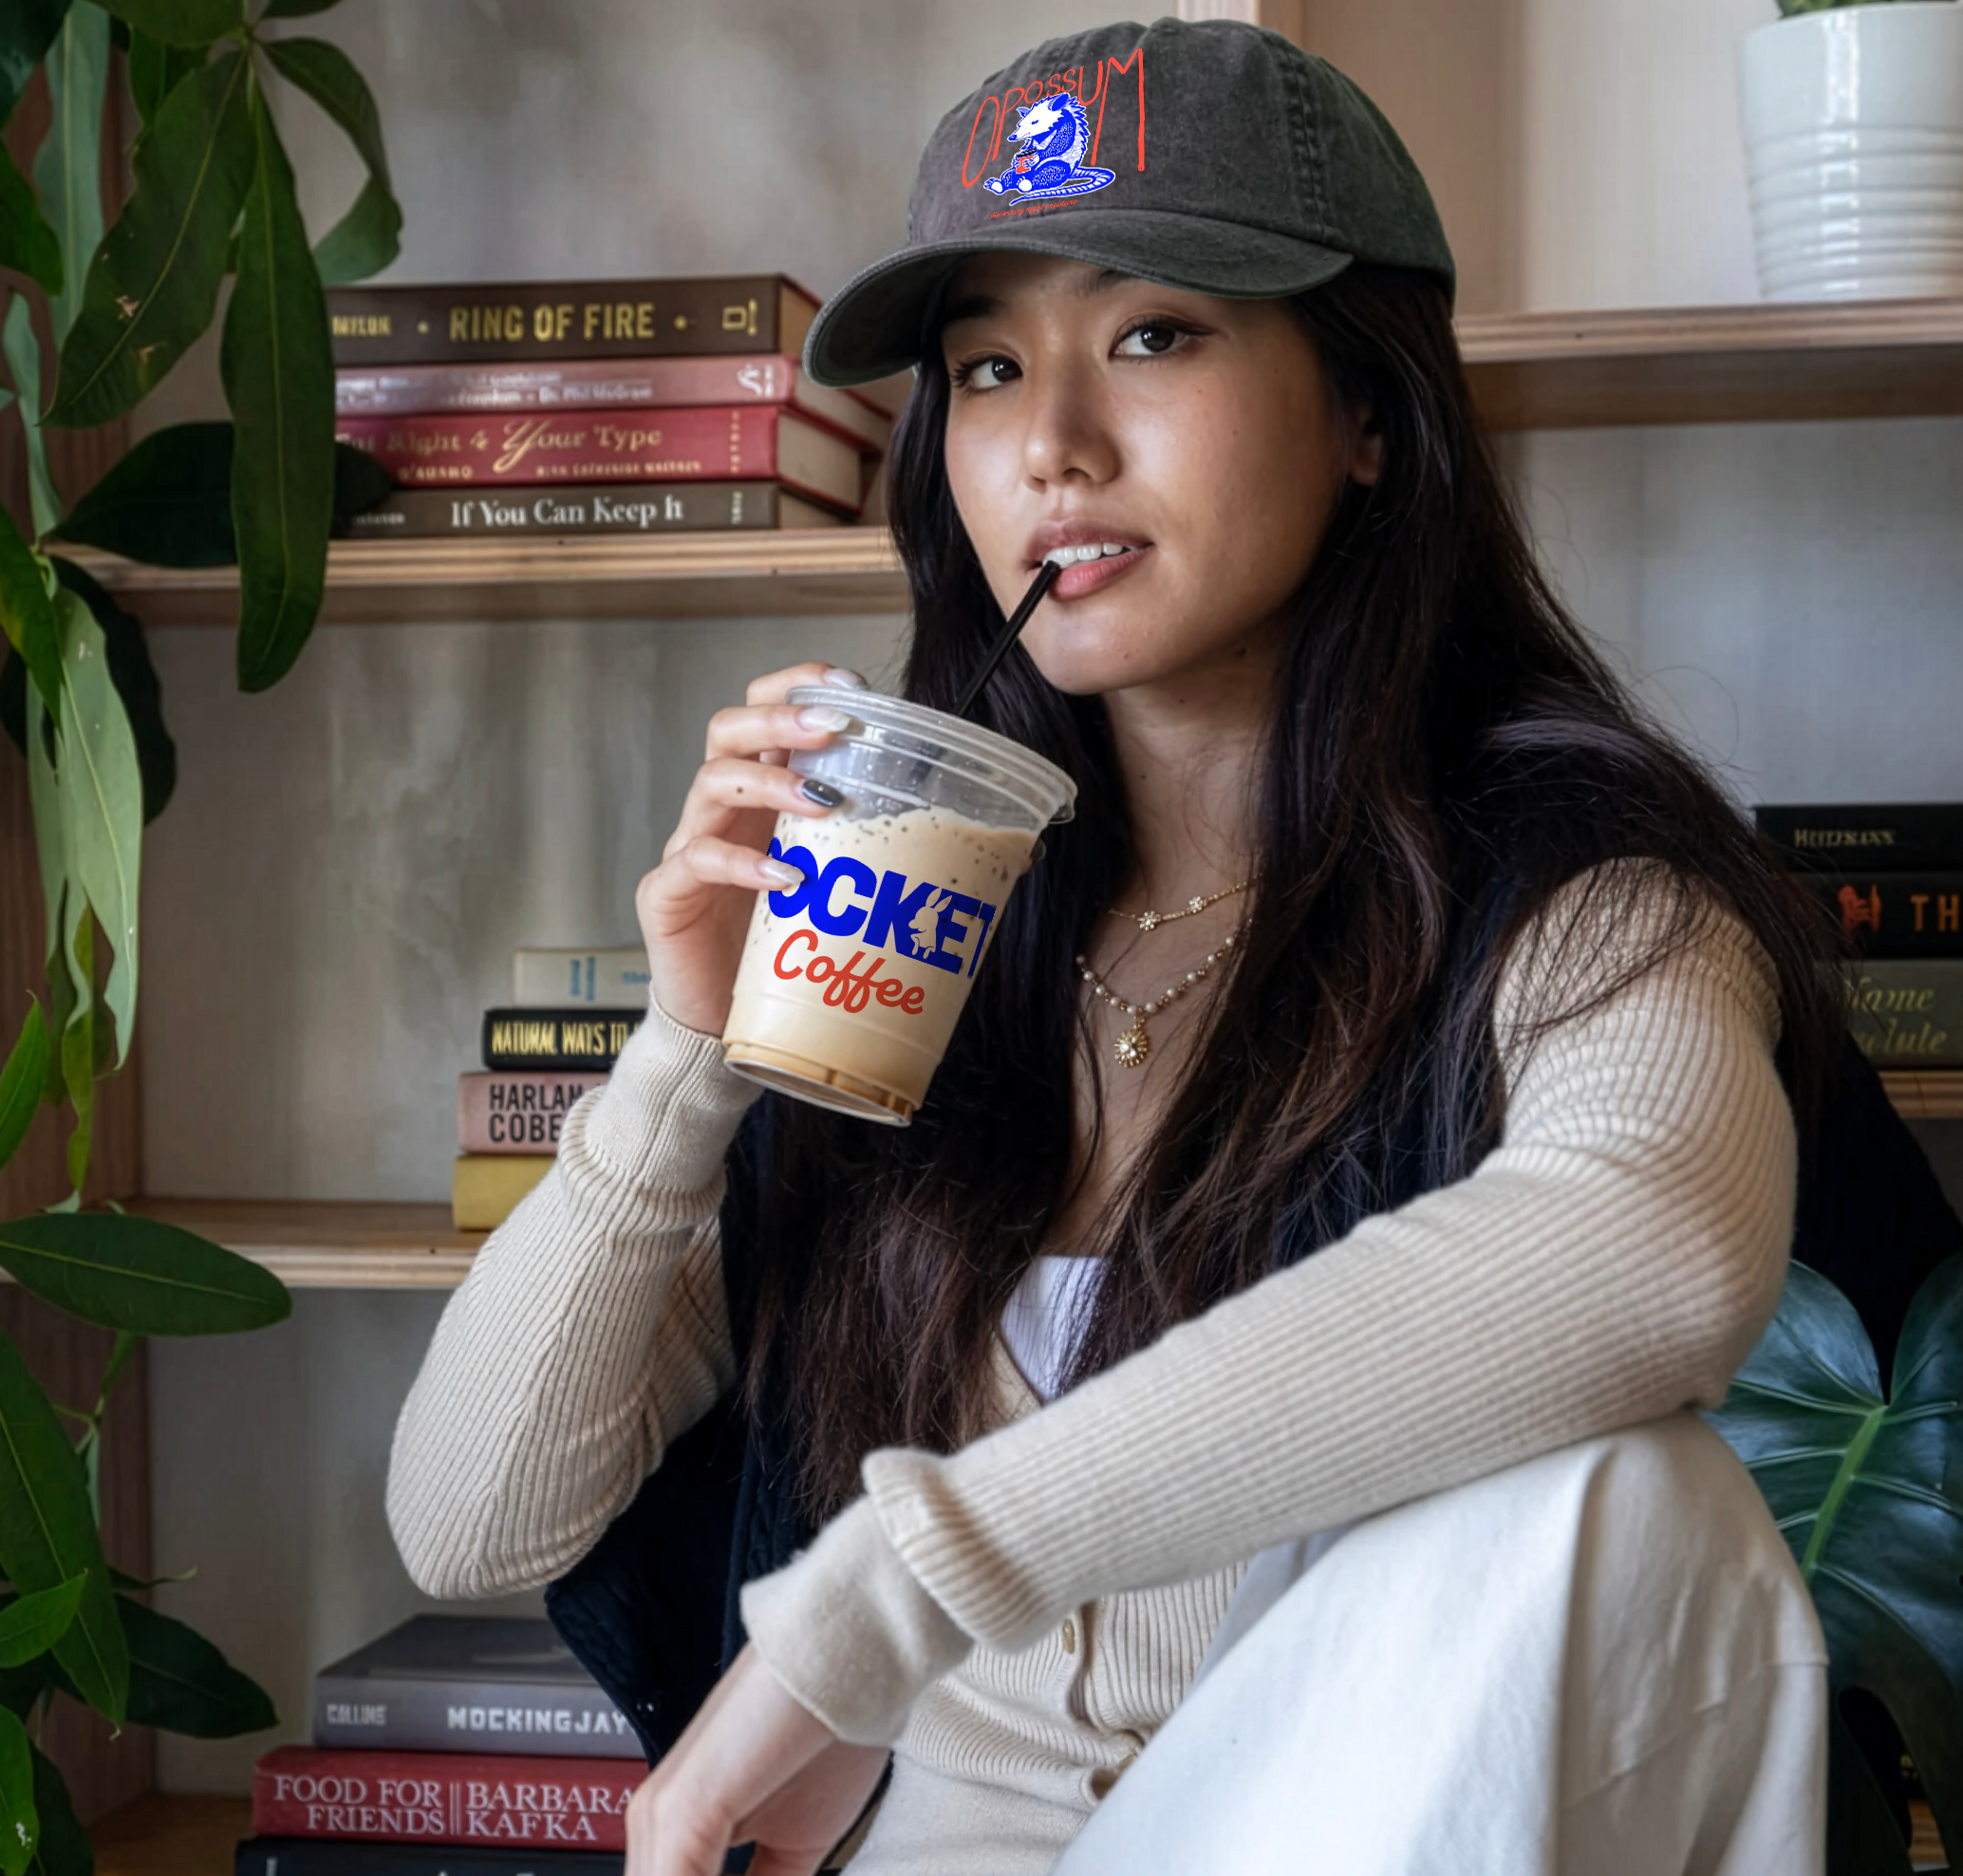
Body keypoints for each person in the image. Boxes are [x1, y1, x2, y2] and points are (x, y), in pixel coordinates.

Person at [386, 19, 1856, 1875]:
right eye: (987, 368)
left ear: (1367, 416)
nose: (1053, 446)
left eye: (1152, 332)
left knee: (1643, 1498)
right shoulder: (908, 943)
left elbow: (1650, 1250)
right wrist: (690, 1050)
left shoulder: (1571, 893)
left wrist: (897, 1591)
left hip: (1340, 1824)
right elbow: (475, 1522)